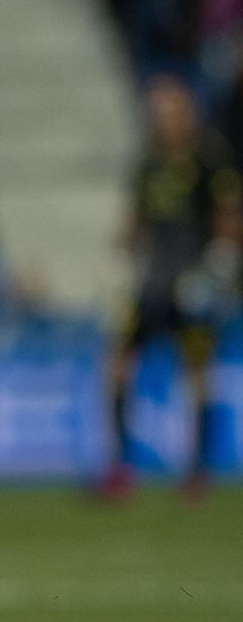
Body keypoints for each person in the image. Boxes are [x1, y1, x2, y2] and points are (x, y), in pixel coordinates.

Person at [100, 76, 238, 503]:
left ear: (188, 112)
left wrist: (219, 264)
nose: (163, 120)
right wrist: (119, 259)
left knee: (198, 373)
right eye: (157, 112)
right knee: (119, 365)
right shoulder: (148, 161)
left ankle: (197, 472)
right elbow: (136, 220)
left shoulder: (210, 157)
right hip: (151, 279)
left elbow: (228, 214)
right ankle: (122, 468)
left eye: (171, 110)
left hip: (192, 279)